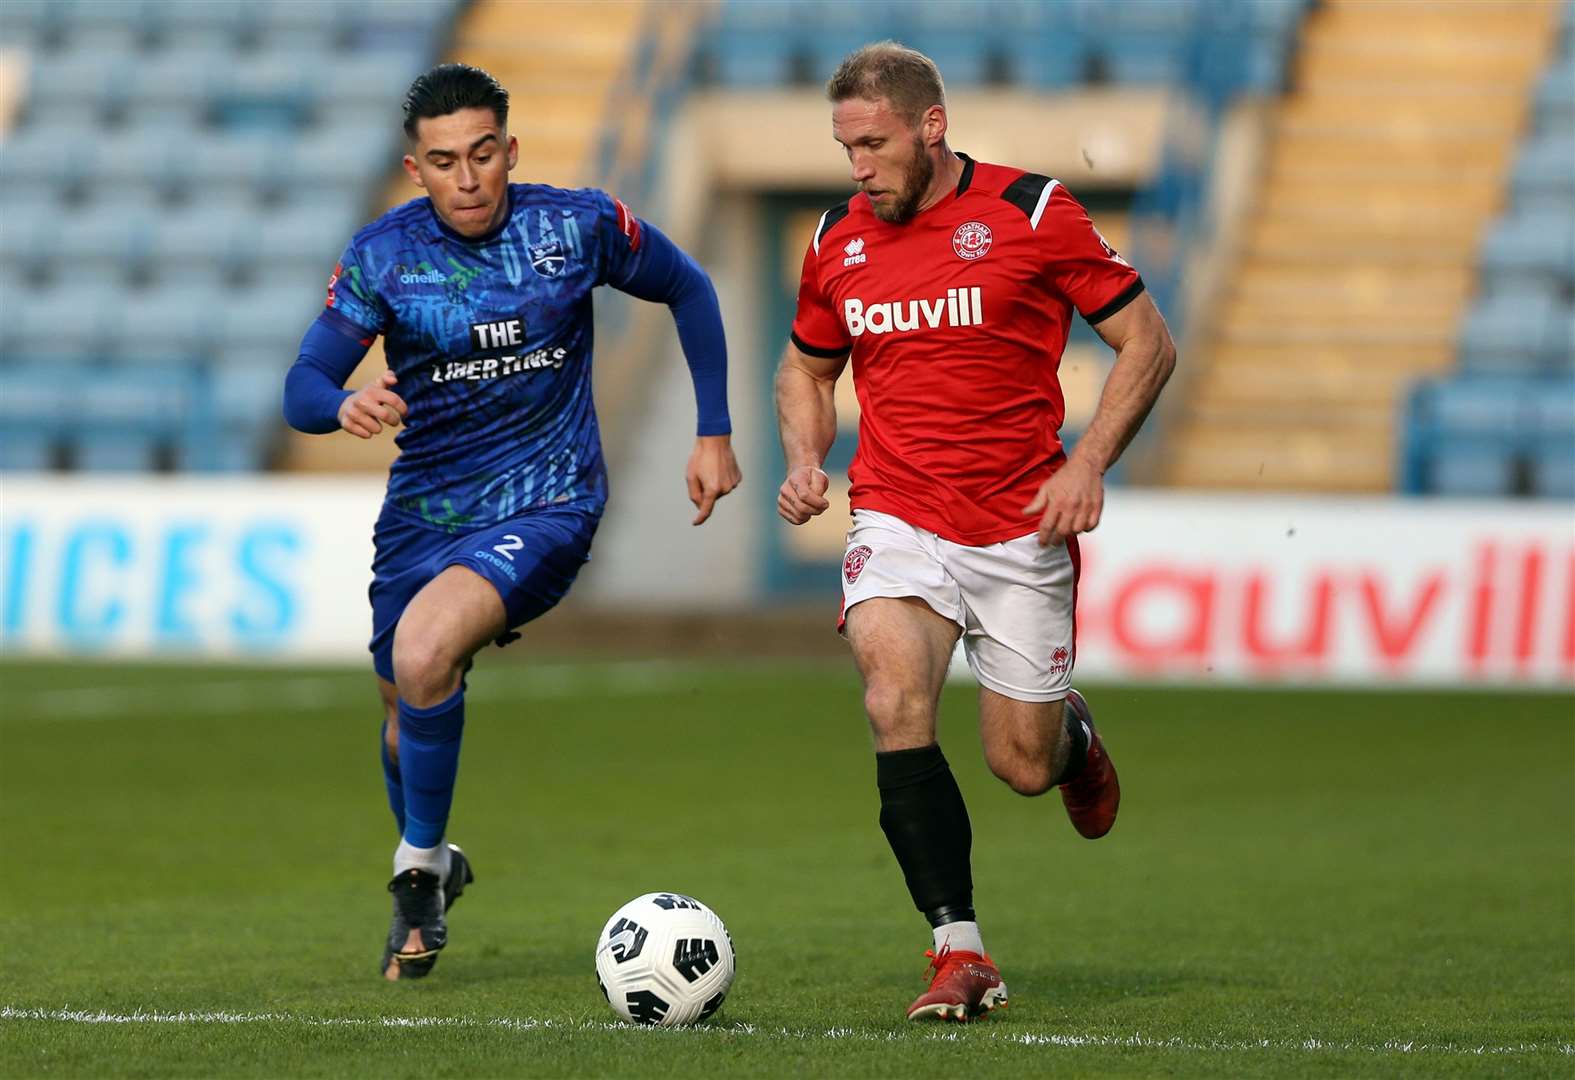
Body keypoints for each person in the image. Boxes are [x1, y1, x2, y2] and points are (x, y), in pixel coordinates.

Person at [281, 63, 741, 981]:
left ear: (510, 151)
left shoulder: (573, 227)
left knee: (422, 654)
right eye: (445, 161)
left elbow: (688, 287)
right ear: (417, 170)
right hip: (422, 515)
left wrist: (714, 431)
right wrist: (342, 406)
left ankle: (414, 878)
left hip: (549, 497)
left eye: (483, 154)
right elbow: (301, 386)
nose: (468, 177)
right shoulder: (382, 257)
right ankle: (438, 859)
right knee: (401, 705)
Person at [775, 42, 1176, 1022]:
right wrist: (803, 456)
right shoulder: (836, 240)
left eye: (873, 145)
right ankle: (960, 951)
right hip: (897, 510)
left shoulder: (1033, 213)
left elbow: (1148, 342)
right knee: (890, 698)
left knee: (1020, 766)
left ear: (931, 126)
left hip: (1019, 524)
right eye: (845, 148)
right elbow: (806, 368)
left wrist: (1086, 465)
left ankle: (1071, 737)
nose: (857, 168)